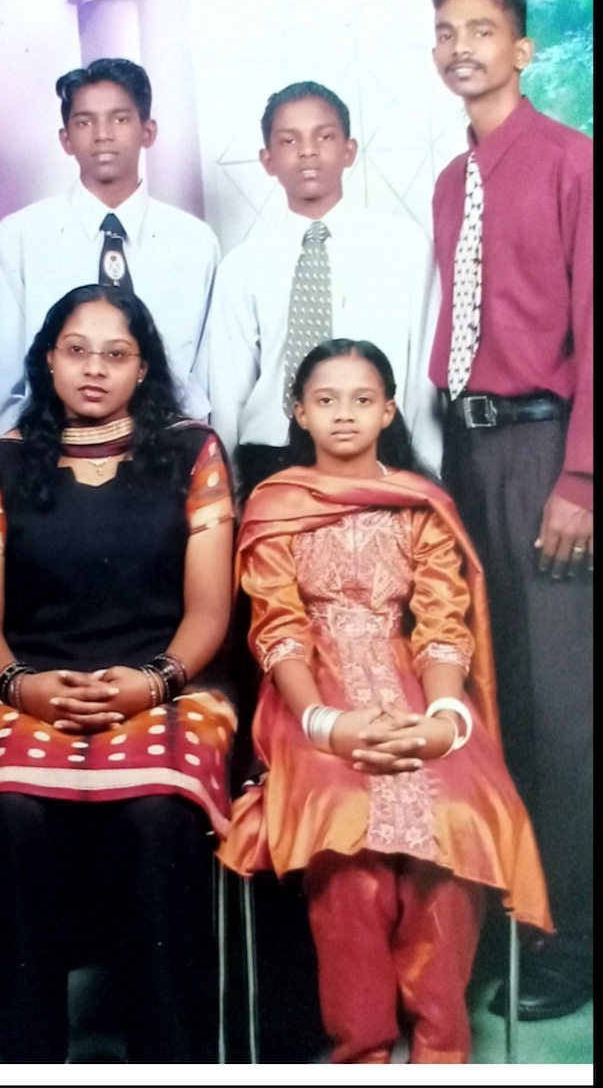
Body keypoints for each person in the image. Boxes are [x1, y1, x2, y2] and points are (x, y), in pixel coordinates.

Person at [219, 340, 551, 1064]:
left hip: (417, 688)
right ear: (298, 412)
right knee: (347, 832)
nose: (344, 414)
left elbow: (442, 623)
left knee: (457, 817)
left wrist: (442, 720)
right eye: (326, 400)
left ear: (388, 409)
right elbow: (277, 631)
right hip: (307, 694)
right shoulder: (275, 505)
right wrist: (327, 725)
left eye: (362, 399)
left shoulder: (419, 501)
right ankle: (361, 1050)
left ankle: (441, 1048)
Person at [0, 285, 235, 1063]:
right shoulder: (0, 461)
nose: (94, 369)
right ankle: (28, 1054)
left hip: (166, 687)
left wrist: (155, 679)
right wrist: (21, 687)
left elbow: (208, 611)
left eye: (115, 353)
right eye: (76, 350)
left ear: (144, 368)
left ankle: (170, 1056)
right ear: (47, 360)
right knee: (9, 815)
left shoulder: (191, 452)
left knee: (157, 817)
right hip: (27, 691)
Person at [428, 0, 592, 1019]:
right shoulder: (451, 178)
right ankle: (518, 914)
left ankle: (576, 931)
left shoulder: (573, 161)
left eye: (482, 32)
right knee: (492, 691)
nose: (461, 49)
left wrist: (580, 477)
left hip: (547, 452)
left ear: (521, 50)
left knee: (561, 703)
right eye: (444, 34)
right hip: (466, 450)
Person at [208, 82, 441, 502]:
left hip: (381, 455)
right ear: (267, 160)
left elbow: (423, 366)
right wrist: (230, 491)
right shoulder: (242, 265)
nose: (308, 151)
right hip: (273, 461)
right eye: (288, 140)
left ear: (349, 150)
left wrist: (426, 469)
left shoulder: (404, 246)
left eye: (325, 136)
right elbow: (228, 393)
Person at [0, 58, 220, 436]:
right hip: (52, 451)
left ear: (148, 131)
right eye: (84, 122)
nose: (103, 134)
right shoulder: (19, 238)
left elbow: (205, 377)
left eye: (120, 119)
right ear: (65, 139)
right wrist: (10, 469)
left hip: (166, 450)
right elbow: (7, 382)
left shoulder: (194, 243)